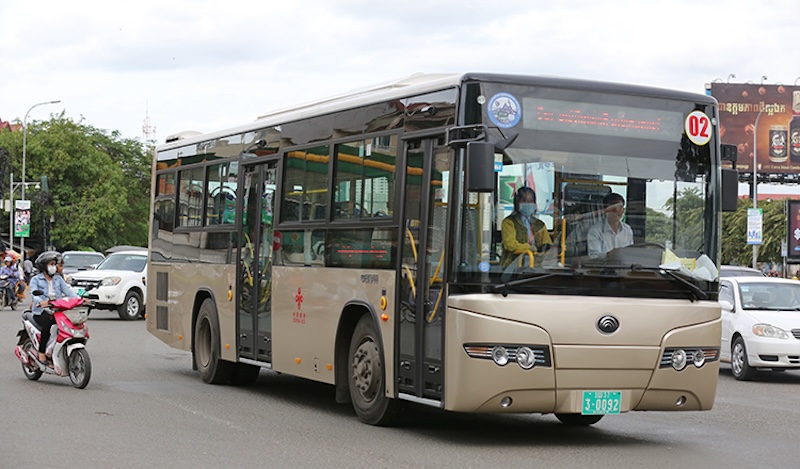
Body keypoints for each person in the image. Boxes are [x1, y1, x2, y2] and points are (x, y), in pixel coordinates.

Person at [29, 251, 78, 365]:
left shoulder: (58, 279)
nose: (54, 267)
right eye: (51, 264)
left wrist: (80, 299)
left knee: (69, 324)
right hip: (41, 311)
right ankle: (42, 354)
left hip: (58, 310)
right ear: (44, 265)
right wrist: (41, 302)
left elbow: (68, 291)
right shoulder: (36, 279)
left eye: (55, 264)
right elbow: (33, 294)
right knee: (48, 325)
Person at [500, 186, 553, 268]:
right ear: (517, 203)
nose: (528, 204)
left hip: (536, 266)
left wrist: (545, 249)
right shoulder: (509, 222)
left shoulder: (540, 224)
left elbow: (547, 244)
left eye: (531, 201)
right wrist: (530, 248)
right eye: (524, 200)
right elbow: (510, 244)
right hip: (513, 267)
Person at [587, 192, 634, 257]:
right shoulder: (595, 230)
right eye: (614, 207)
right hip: (602, 266)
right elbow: (593, 256)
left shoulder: (627, 230)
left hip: (624, 266)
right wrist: (609, 255)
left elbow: (630, 254)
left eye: (620, 207)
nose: (617, 210)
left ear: (623, 210)